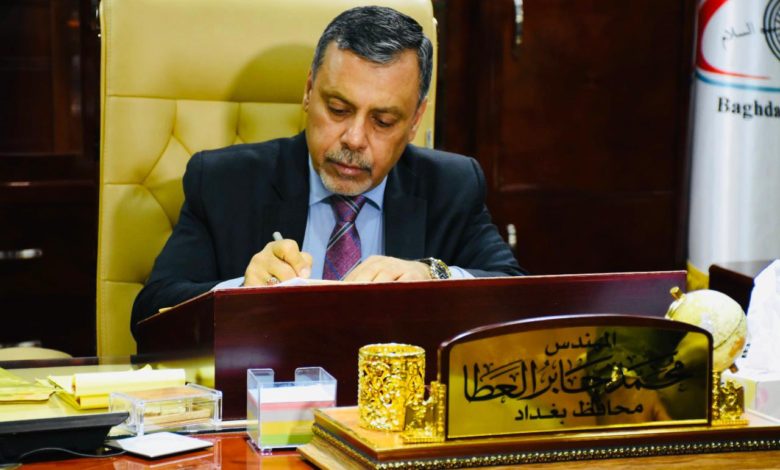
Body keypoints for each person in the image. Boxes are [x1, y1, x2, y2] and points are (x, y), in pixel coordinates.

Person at [131, 6, 524, 336]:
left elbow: (519, 298)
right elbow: (149, 316)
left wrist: (432, 276)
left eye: (383, 121)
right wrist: (239, 292)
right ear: (308, 91)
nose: (354, 138)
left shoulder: (451, 187)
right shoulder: (224, 182)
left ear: (415, 120)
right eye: (338, 109)